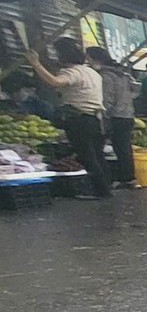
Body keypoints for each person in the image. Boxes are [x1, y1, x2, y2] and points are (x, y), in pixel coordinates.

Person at [23, 35, 109, 198]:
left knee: (88, 157)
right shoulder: (91, 72)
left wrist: (35, 63)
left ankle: (100, 191)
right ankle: (105, 190)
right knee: (98, 156)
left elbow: (55, 82)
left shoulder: (73, 72)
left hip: (80, 120)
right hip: (97, 120)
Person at [85, 47, 137, 188]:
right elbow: (135, 91)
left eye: (88, 58)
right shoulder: (122, 74)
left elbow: (107, 99)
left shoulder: (106, 75)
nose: (87, 61)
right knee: (124, 148)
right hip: (127, 114)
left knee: (115, 148)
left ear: (96, 59)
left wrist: (102, 113)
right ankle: (129, 178)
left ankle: (119, 179)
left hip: (115, 116)